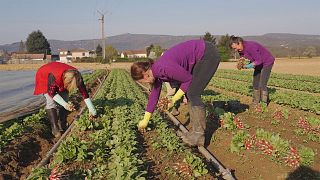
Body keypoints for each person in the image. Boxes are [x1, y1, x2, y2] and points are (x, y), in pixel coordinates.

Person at [131, 39, 220, 146]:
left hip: (207, 54)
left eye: (143, 81)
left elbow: (188, 79)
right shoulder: (156, 73)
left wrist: (173, 100)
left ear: (145, 75)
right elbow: (154, 97)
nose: (145, 83)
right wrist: (145, 119)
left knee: (193, 93)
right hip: (200, 56)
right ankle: (194, 133)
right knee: (190, 93)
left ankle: (198, 135)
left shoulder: (162, 68)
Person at [34, 62, 97, 137]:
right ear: (66, 81)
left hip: (60, 75)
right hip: (44, 75)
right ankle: (55, 128)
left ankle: (63, 124)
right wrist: (64, 104)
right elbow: (52, 93)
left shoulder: (77, 77)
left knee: (65, 97)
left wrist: (91, 109)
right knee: (51, 101)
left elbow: (84, 93)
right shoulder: (54, 76)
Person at [229, 35, 275, 105]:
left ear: (240, 42)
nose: (235, 50)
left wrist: (249, 66)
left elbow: (259, 60)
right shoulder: (240, 49)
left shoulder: (251, 47)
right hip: (258, 64)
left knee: (262, 83)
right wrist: (241, 61)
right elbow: (242, 56)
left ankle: (263, 103)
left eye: (235, 48)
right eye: (234, 49)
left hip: (267, 62)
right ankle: (255, 102)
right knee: (255, 82)